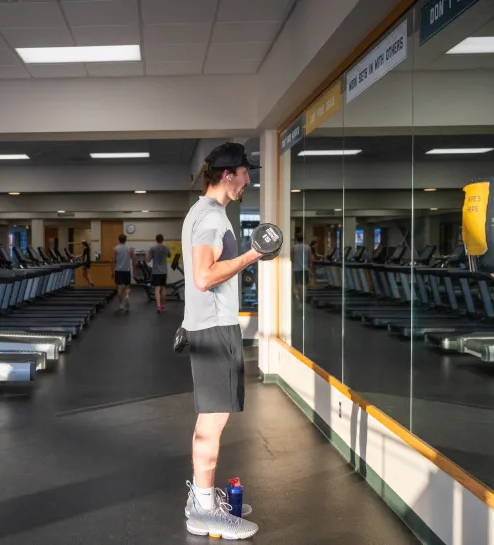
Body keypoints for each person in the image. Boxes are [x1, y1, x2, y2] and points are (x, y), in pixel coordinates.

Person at [182, 142, 272, 540]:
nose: (248, 180)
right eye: (244, 173)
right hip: (214, 329)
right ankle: (203, 511)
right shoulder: (211, 218)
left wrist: (241, 263)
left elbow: (210, 272)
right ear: (226, 174)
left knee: (212, 418)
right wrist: (252, 254)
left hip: (213, 326)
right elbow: (203, 277)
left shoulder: (207, 214)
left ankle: (201, 499)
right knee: (212, 422)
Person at [147, 234, 171, 312]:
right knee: (163, 288)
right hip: (164, 271)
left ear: (156, 239)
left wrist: (147, 257)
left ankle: (158, 305)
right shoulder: (166, 248)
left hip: (156, 272)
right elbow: (169, 256)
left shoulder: (153, 248)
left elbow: (148, 260)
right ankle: (163, 305)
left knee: (157, 289)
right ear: (162, 239)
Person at [112, 234, 134, 311]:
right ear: (125, 240)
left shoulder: (115, 248)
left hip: (118, 270)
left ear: (119, 239)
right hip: (127, 270)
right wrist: (134, 269)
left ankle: (121, 304)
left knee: (119, 287)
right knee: (127, 286)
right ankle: (127, 295)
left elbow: (113, 261)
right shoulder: (130, 248)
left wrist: (112, 271)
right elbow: (133, 259)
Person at [293, 234, 314, 305]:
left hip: (296, 269)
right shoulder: (307, 247)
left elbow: (291, 259)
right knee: (304, 285)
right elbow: (310, 260)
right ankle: (303, 300)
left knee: (296, 284)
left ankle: (297, 298)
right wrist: (311, 270)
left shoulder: (293, 247)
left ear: (296, 239)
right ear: (304, 239)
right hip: (305, 269)